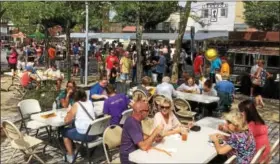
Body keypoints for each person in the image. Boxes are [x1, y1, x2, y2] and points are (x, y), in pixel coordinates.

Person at [62, 90, 97, 163]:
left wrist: (69, 112)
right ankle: (79, 151)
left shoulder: (76, 104)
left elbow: (66, 121)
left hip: (86, 135)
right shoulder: (90, 102)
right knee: (74, 129)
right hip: (94, 133)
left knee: (64, 132)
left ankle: (71, 155)